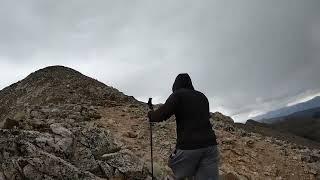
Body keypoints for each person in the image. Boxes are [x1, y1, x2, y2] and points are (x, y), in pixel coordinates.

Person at [148, 73, 219, 180]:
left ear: (176, 84)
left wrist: (150, 114)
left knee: (172, 167)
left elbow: (161, 115)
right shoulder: (202, 96)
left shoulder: (178, 95)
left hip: (188, 146)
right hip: (211, 146)